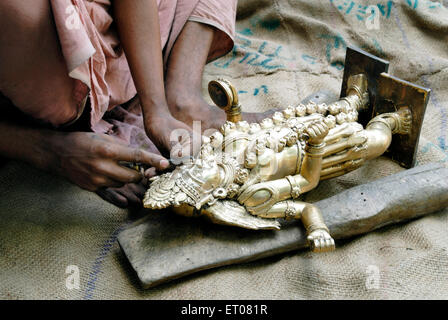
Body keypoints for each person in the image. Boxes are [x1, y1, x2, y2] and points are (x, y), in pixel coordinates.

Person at [0, 0, 269, 208]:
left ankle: (182, 96)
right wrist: (48, 151)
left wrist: (157, 112)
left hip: (124, 46)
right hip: (39, 104)